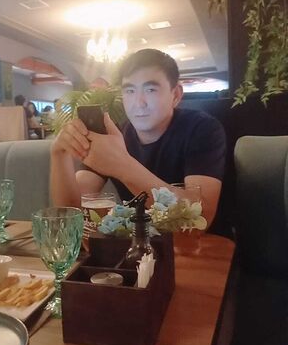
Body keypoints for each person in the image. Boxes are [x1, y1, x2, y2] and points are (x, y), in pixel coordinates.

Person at [50, 48, 226, 226]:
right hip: (137, 241)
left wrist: (121, 165)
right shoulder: (116, 136)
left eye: (150, 90)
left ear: (175, 95)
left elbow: (199, 218)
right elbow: (71, 211)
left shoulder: (202, 129)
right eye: (130, 91)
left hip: (198, 242)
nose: (139, 103)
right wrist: (59, 154)